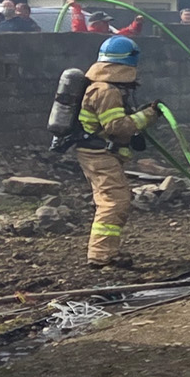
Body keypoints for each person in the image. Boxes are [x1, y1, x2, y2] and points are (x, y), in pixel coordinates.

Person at [73, 35, 162, 269]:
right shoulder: (106, 91)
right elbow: (116, 127)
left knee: (111, 200)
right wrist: (148, 116)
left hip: (98, 151)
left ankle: (105, 251)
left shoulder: (102, 86)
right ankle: (101, 255)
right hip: (98, 154)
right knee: (114, 201)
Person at [69, 0, 143, 36]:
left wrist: (137, 23)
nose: (107, 25)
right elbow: (78, 28)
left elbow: (126, 33)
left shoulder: (109, 36)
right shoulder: (87, 36)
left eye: (107, 23)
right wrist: (76, 8)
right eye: (104, 23)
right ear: (96, 24)